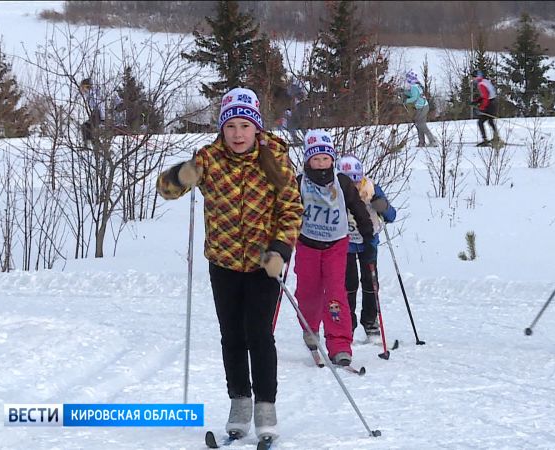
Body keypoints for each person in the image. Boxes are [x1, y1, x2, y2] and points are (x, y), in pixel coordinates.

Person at [156, 87, 303, 443]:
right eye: (231, 126)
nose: (238, 134)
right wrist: (181, 176)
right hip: (222, 263)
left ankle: (265, 408)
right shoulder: (208, 159)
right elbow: (166, 190)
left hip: (264, 264)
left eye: (245, 126)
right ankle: (239, 401)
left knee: (259, 335)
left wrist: (280, 251)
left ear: (256, 127)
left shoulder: (275, 159)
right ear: (222, 128)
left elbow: (291, 209)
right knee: (232, 336)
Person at [294, 130, 375, 367]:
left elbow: (357, 207)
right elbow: (288, 210)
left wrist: (367, 231)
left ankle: (340, 344)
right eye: (316, 159)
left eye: (325, 158)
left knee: (335, 294)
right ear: (308, 160)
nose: (321, 164)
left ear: (332, 159)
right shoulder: (299, 183)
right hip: (307, 243)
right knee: (308, 292)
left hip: (337, 244)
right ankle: (310, 329)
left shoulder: (341, 181)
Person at [336, 154, 397, 341]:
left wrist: (383, 206)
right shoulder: (335, 190)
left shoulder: (371, 189)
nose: (354, 186)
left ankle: (370, 322)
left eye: (357, 180)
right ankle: (349, 324)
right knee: (349, 284)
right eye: (349, 181)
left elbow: (391, 215)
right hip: (345, 243)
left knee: (370, 283)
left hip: (368, 242)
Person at [402, 70, 438, 148]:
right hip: (422, 107)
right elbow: (413, 94)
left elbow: (414, 97)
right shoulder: (416, 86)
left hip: (422, 107)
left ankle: (432, 141)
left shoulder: (414, 87)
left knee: (421, 125)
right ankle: (421, 142)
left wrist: (406, 101)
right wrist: (404, 92)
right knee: (419, 125)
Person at [471, 71, 499, 147]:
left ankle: (485, 139)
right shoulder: (485, 81)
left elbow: (486, 97)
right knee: (490, 121)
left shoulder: (481, 84)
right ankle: (496, 137)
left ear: (477, 77)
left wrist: (482, 108)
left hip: (489, 104)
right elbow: (486, 95)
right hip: (493, 102)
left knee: (480, 122)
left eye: (473, 77)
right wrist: (477, 101)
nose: (473, 79)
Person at [78, 78, 106, 145]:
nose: (82, 89)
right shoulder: (89, 94)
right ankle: (93, 143)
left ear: (86, 86)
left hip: (97, 113)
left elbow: (100, 105)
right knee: (88, 127)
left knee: (86, 127)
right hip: (94, 113)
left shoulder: (93, 95)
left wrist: (102, 118)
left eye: (83, 87)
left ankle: (90, 143)